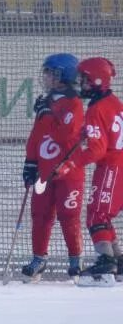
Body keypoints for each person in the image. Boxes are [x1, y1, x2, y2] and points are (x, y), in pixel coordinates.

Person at [54, 57, 123, 284]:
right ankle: (117, 263)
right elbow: (106, 131)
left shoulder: (95, 108)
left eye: (84, 79)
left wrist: (71, 163)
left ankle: (105, 265)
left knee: (96, 215)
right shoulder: (113, 101)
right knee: (103, 215)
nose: (80, 84)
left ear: (96, 80)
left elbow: (97, 150)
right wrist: (87, 131)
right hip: (118, 165)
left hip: (111, 167)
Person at [21, 54, 85, 281]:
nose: (46, 77)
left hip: (68, 172)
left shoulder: (74, 104)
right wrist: (30, 162)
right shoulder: (46, 102)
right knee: (40, 215)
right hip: (44, 172)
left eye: (50, 73)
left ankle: (76, 260)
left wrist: (47, 113)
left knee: (69, 216)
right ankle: (39, 258)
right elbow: (37, 136)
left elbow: (65, 137)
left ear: (61, 77)